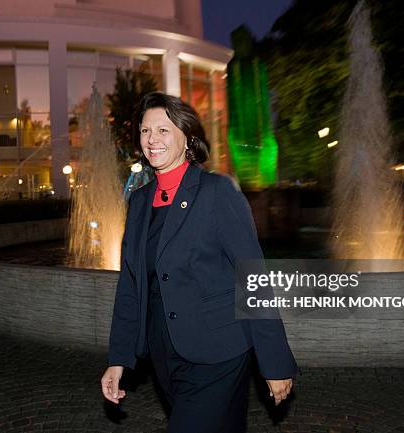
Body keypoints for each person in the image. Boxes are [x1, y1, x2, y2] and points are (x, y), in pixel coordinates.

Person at [100, 92, 298, 433]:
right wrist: (119, 358)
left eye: (163, 130)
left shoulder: (217, 191)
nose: (152, 139)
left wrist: (275, 361)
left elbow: (253, 278)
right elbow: (131, 284)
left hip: (218, 351)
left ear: (187, 137)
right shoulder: (139, 201)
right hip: (163, 352)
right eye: (146, 131)